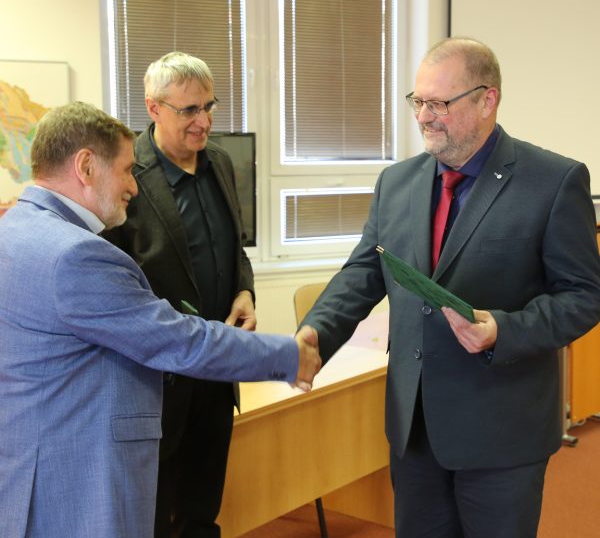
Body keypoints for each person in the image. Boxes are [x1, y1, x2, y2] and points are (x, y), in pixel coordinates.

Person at [301, 37, 600, 538]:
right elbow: (362, 274)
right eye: (418, 101)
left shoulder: (553, 181)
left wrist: (502, 329)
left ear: (487, 100)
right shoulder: (396, 183)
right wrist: (315, 333)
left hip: (502, 434)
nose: (424, 117)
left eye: (439, 103)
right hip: (415, 430)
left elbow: (584, 295)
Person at [0, 101, 320, 538]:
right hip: (75, 481)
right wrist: (288, 355)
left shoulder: (15, 226)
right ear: (86, 166)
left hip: (33, 467)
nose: (134, 187)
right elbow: (177, 340)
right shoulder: (77, 255)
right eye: (127, 170)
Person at [103, 52, 252, 537]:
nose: (203, 121)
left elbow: (235, 247)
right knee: (155, 513)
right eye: (189, 110)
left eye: (208, 106)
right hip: (157, 378)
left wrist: (245, 291)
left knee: (202, 509)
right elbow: (110, 278)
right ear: (154, 108)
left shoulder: (220, 162)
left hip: (217, 367)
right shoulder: (126, 173)